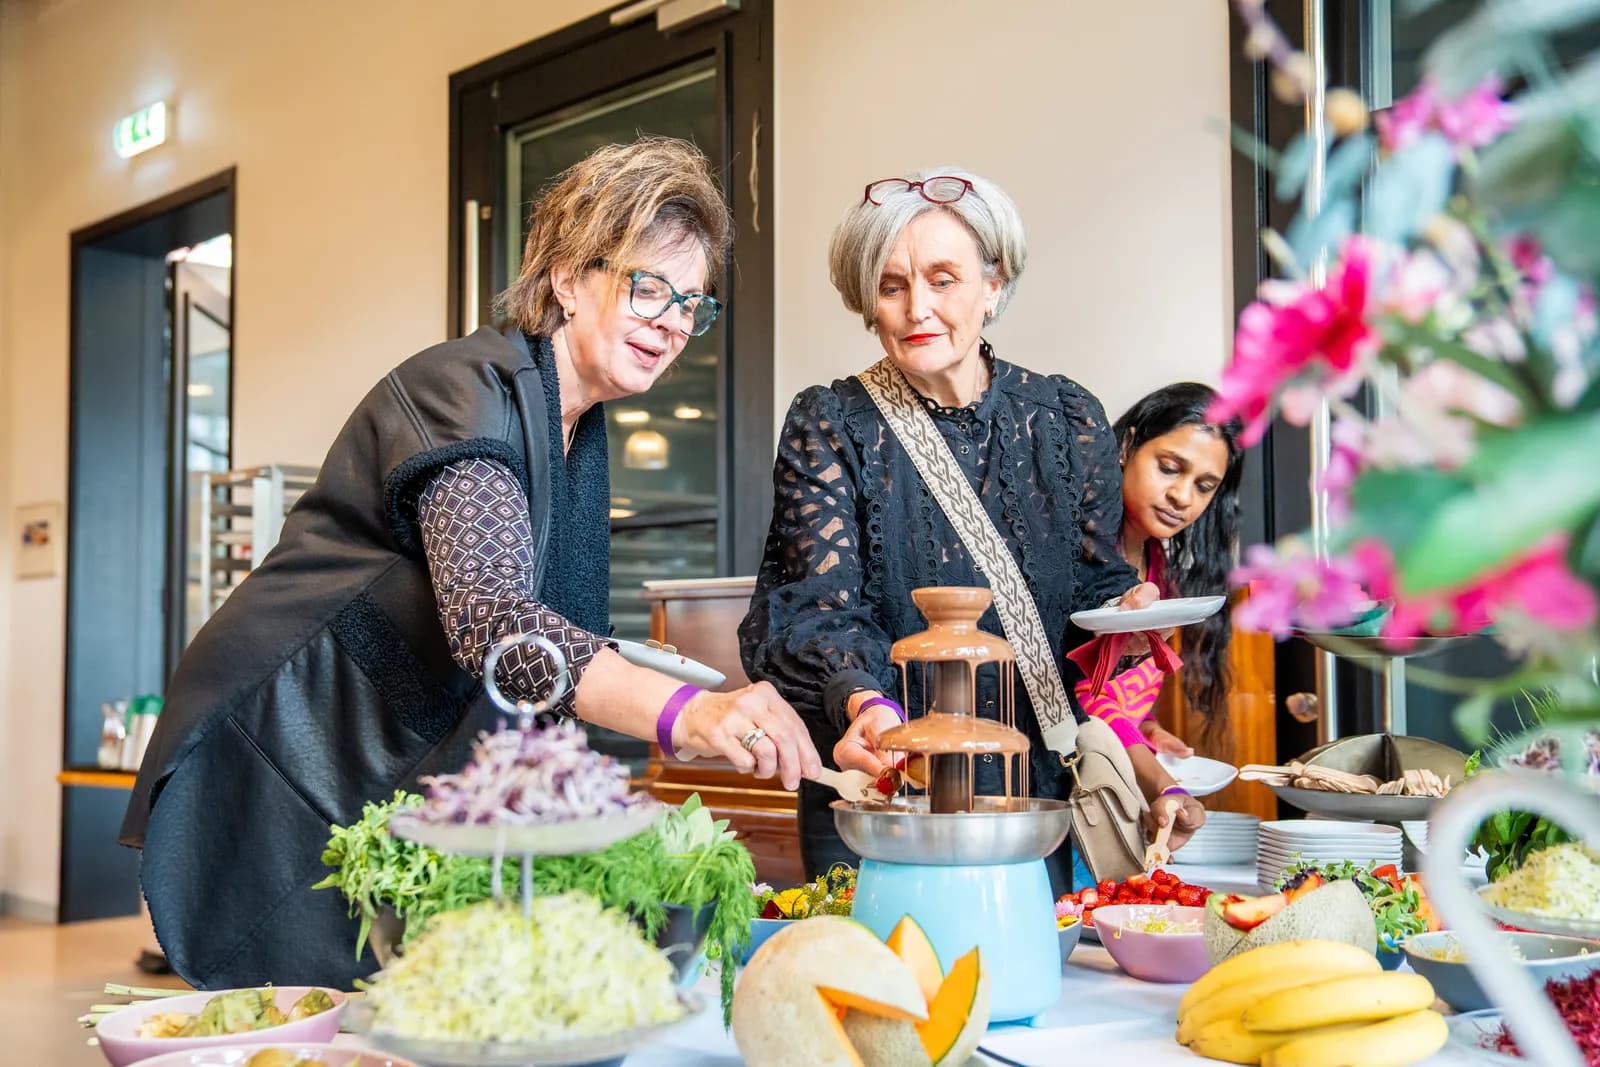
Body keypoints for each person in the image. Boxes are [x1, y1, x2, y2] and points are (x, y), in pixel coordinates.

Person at [121, 138, 820, 990]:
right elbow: (493, 620)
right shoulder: (468, 392)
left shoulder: (574, 426)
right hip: (277, 757)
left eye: (693, 304)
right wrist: (692, 714)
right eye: (650, 287)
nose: (674, 321)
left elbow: (554, 662)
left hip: (378, 768)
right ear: (567, 276)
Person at [739, 167, 1191, 888]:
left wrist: (1129, 610)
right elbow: (819, 610)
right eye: (891, 286)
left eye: (943, 279)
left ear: (994, 284)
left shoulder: (1067, 419)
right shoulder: (832, 423)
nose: (917, 307)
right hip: (880, 777)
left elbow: (1092, 584)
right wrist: (869, 702)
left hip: (1030, 783)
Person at [1064, 383, 1244, 887]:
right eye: (1170, 467)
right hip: (1071, 805)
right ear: (1127, 446)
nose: (1183, 497)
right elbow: (1082, 702)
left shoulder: (1159, 564)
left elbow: (1116, 699)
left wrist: (1148, 732)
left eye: (1205, 486)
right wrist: (1162, 784)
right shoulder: (1080, 556)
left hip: (1115, 791)